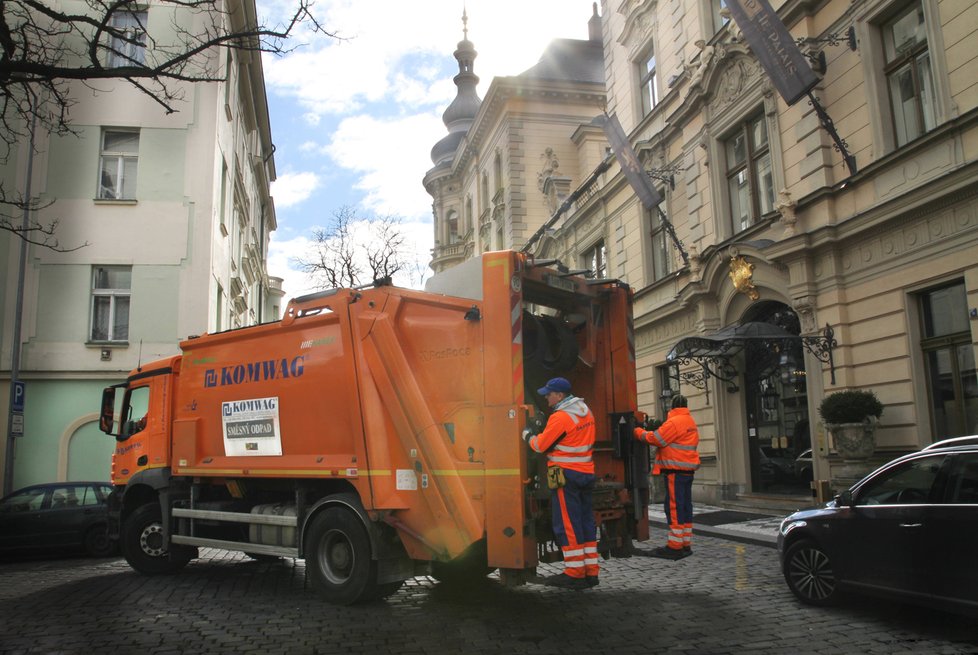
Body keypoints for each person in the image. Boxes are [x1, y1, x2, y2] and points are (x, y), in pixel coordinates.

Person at [523, 377, 599, 589]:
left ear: (560, 395)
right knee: (585, 522)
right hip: (585, 472)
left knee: (568, 523)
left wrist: (527, 435)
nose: (546, 397)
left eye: (549, 393)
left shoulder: (561, 418)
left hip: (566, 476)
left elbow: (540, 445)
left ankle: (575, 573)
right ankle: (591, 571)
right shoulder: (586, 411)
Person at [634, 393, 700, 560]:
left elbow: (656, 439)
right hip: (687, 471)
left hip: (675, 471)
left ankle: (675, 546)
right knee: (685, 507)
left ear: (672, 406)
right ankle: (685, 543)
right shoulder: (689, 421)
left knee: (674, 508)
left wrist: (637, 432)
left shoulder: (674, 421)